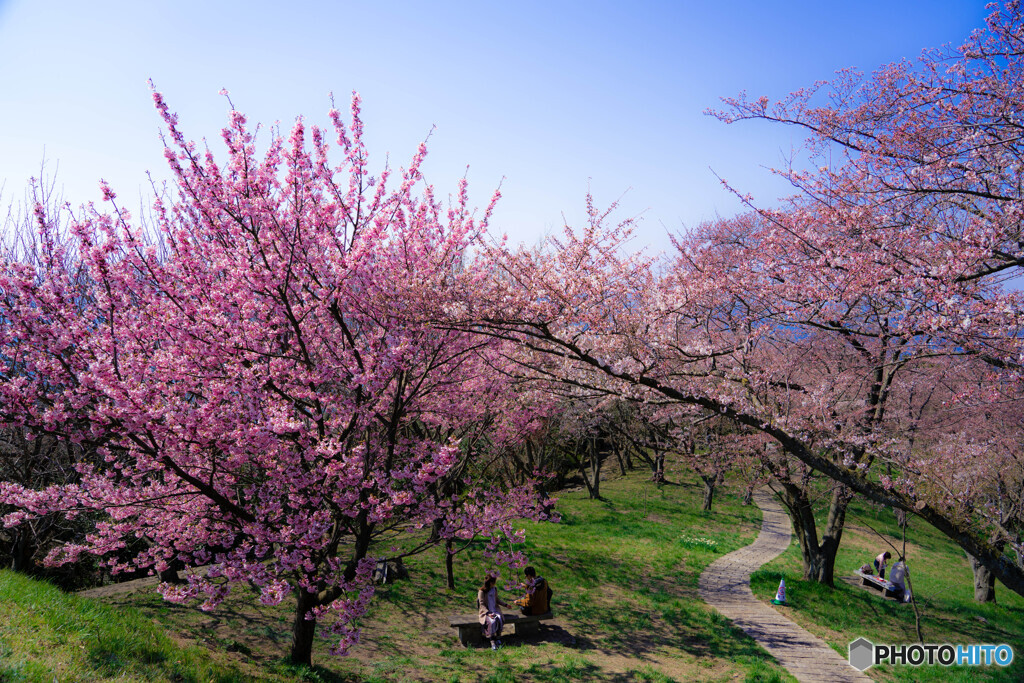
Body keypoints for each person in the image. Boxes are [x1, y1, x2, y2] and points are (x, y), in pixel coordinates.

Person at [477, 574, 509, 650]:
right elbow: (481, 604)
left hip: (495, 610)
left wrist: (506, 605)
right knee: (491, 622)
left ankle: (498, 638)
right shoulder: (482, 591)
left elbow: (497, 600)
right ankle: (492, 641)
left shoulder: (494, 589)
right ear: (491, 582)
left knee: (499, 619)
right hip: (486, 612)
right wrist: (488, 613)